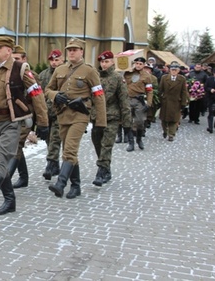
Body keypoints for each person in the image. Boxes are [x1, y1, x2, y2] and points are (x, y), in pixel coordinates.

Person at [0, 36, 48, 215]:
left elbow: (37, 94)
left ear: (9, 51)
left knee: (3, 159)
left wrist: (43, 122)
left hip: (12, 123)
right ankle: (10, 199)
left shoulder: (21, 69)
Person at [45, 38, 106, 199]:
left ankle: (61, 183)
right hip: (63, 114)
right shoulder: (60, 69)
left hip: (80, 115)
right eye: (69, 49)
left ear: (81, 52)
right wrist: (55, 95)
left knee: (70, 149)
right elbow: (48, 89)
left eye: (75, 49)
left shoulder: (90, 71)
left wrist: (100, 121)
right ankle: (76, 186)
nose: (71, 52)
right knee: (68, 152)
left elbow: (99, 96)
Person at [91, 51, 131, 186]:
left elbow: (124, 101)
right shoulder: (95, 77)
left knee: (106, 145)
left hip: (112, 117)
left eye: (106, 61)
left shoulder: (118, 78)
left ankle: (101, 172)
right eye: (102, 62)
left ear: (112, 62)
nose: (104, 64)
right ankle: (106, 169)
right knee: (97, 144)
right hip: (97, 117)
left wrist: (127, 123)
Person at [8, 45, 38, 188]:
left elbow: (38, 100)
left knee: (16, 144)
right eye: (12, 59)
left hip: (27, 116)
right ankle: (23, 177)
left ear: (24, 59)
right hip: (13, 117)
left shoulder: (31, 76)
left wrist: (41, 122)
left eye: (17, 59)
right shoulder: (9, 74)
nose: (15, 62)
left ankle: (4, 180)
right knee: (16, 146)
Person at [39, 49, 65, 180]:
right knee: (49, 140)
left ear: (62, 60)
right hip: (46, 113)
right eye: (52, 60)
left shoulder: (66, 73)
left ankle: (50, 165)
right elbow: (39, 95)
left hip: (61, 113)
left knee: (55, 139)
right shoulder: (43, 75)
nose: (54, 63)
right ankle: (55, 165)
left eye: (57, 60)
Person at [123, 57, 153, 151]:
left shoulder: (147, 76)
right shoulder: (128, 73)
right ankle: (131, 143)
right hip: (128, 100)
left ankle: (139, 139)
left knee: (140, 122)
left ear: (144, 65)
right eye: (137, 63)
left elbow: (149, 90)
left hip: (139, 101)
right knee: (128, 121)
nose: (138, 65)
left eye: (140, 64)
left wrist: (149, 103)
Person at [158, 61, 189, 141]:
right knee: (164, 119)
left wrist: (183, 102)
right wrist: (159, 100)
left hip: (176, 102)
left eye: (176, 70)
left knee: (174, 119)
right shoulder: (164, 78)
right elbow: (160, 90)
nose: (174, 71)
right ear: (170, 70)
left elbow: (184, 91)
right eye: (172, 70)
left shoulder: (182, 79)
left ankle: (171, 134)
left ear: (178, 71)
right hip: (165, 101)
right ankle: (165, 131)